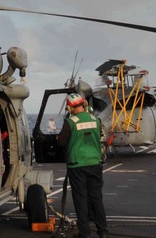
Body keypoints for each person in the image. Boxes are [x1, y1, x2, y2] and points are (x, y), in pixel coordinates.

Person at [57, 93, 109, 238]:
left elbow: (61, 142)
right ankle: (103, 231)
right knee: (96, 198)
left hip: (77, 165)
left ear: (69, 106)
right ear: (83, 104)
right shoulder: (96, 120)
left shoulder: (70, 122)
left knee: (80, 199)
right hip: (94, 163)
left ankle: (84, 233)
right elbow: (99, 137)